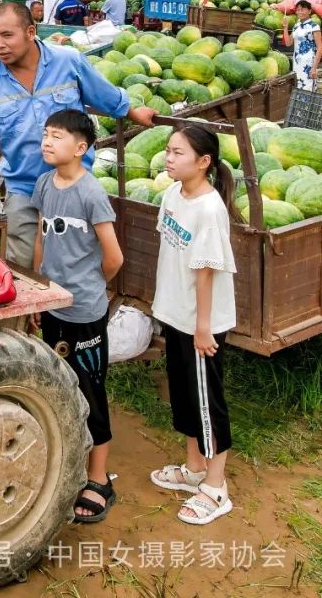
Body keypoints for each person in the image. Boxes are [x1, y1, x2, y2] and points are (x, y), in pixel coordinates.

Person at [0, 2, 155, 268]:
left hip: (72, 186)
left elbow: (104, 95)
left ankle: (74, 308)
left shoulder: (68, 61)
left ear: (30, 32)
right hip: (24, 189)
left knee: (74, 264)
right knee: (24, 265)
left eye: (7, 35)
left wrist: (134, 113)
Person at [31, 109, 123, 523]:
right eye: (45, 135)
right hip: (50, 304)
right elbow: (41, 239)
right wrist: (37, 290)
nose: (48, 142)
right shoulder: (43, 184)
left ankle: (99, 479)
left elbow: (113, 258)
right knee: (55, 381)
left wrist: (88, 287)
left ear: (81, 148)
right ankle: (65, 455)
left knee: (90, 388)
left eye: (57, 136)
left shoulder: (91, 193)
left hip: (84, 310)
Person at [149, 125, 237, 526]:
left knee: (206, 404)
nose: (169, 158)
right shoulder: (172, 194)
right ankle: (194, 468)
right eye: (168, 151)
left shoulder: (209, 208)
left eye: (178, 153)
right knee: (185, 397)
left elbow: (205, 272)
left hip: (201, 323)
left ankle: (216, 488)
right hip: (176, 314)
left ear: (204, 162)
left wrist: (203, 327)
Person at [283, 0, 321, 90]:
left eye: (302, 9)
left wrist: (314, 68)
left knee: (307, 89)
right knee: (297, 88)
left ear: (309, 11)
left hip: (308, 64)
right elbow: (288, 43)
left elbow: (320, 48)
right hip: (297, 62)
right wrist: (285, 28)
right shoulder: (296, 26)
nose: (299, 12)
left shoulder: (314, 26)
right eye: (298, 10)